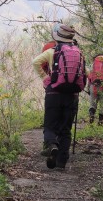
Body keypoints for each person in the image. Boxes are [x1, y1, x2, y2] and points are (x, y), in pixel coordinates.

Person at [32, 24, 83, 170]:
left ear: (57, 37)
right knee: (65, 129)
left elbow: (35, 62)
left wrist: (45, 77)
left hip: (53, 93)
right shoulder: (79, 52)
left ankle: (52, 145)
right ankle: (61, 163)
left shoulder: (52, 51)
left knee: (50, 126)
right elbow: (85, 72)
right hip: (72, 96)